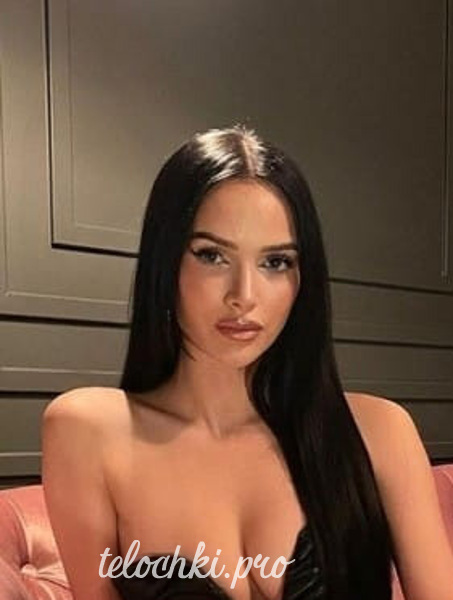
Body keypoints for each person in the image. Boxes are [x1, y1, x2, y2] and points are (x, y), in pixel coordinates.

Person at [41, 125, 453, 600]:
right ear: (165, 261)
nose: (244, 295)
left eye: (275, 262)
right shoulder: (88, 431)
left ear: (303, 278)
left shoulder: (378, 432)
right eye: (212, 255)